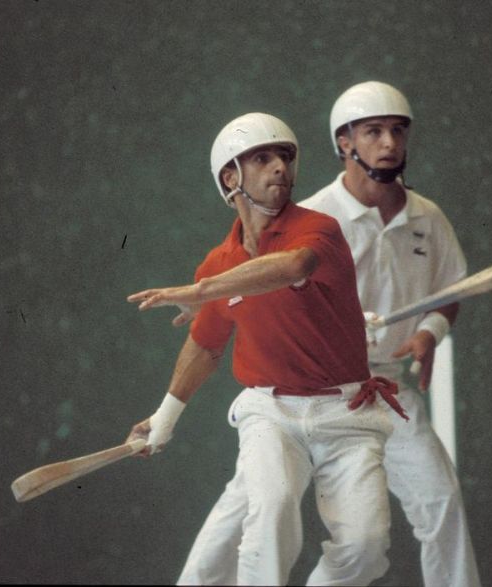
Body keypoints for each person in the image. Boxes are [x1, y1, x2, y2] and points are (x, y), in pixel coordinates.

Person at [178, 82, 482, 587]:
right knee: (250, 507)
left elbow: (451, 289)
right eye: (373, 131)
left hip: (380, 393)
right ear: (344, 143)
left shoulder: (427, 218)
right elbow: (269, 283)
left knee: (440, 500)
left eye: (397, 131)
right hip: (296, 392)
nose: (388, 143)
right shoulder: (318, 216)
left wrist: (429, 331)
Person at [125, 112, 408, 586]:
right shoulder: (220, 262)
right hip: (270, 413)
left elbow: (293, 266)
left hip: (348, 415)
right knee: (270, 516)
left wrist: (201, 291)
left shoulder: (318, 229)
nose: (280, 167)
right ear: (231, 177)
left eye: (286, 156)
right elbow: (205, 345)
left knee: (365, 549)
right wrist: (164, 418)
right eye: (262, 158)